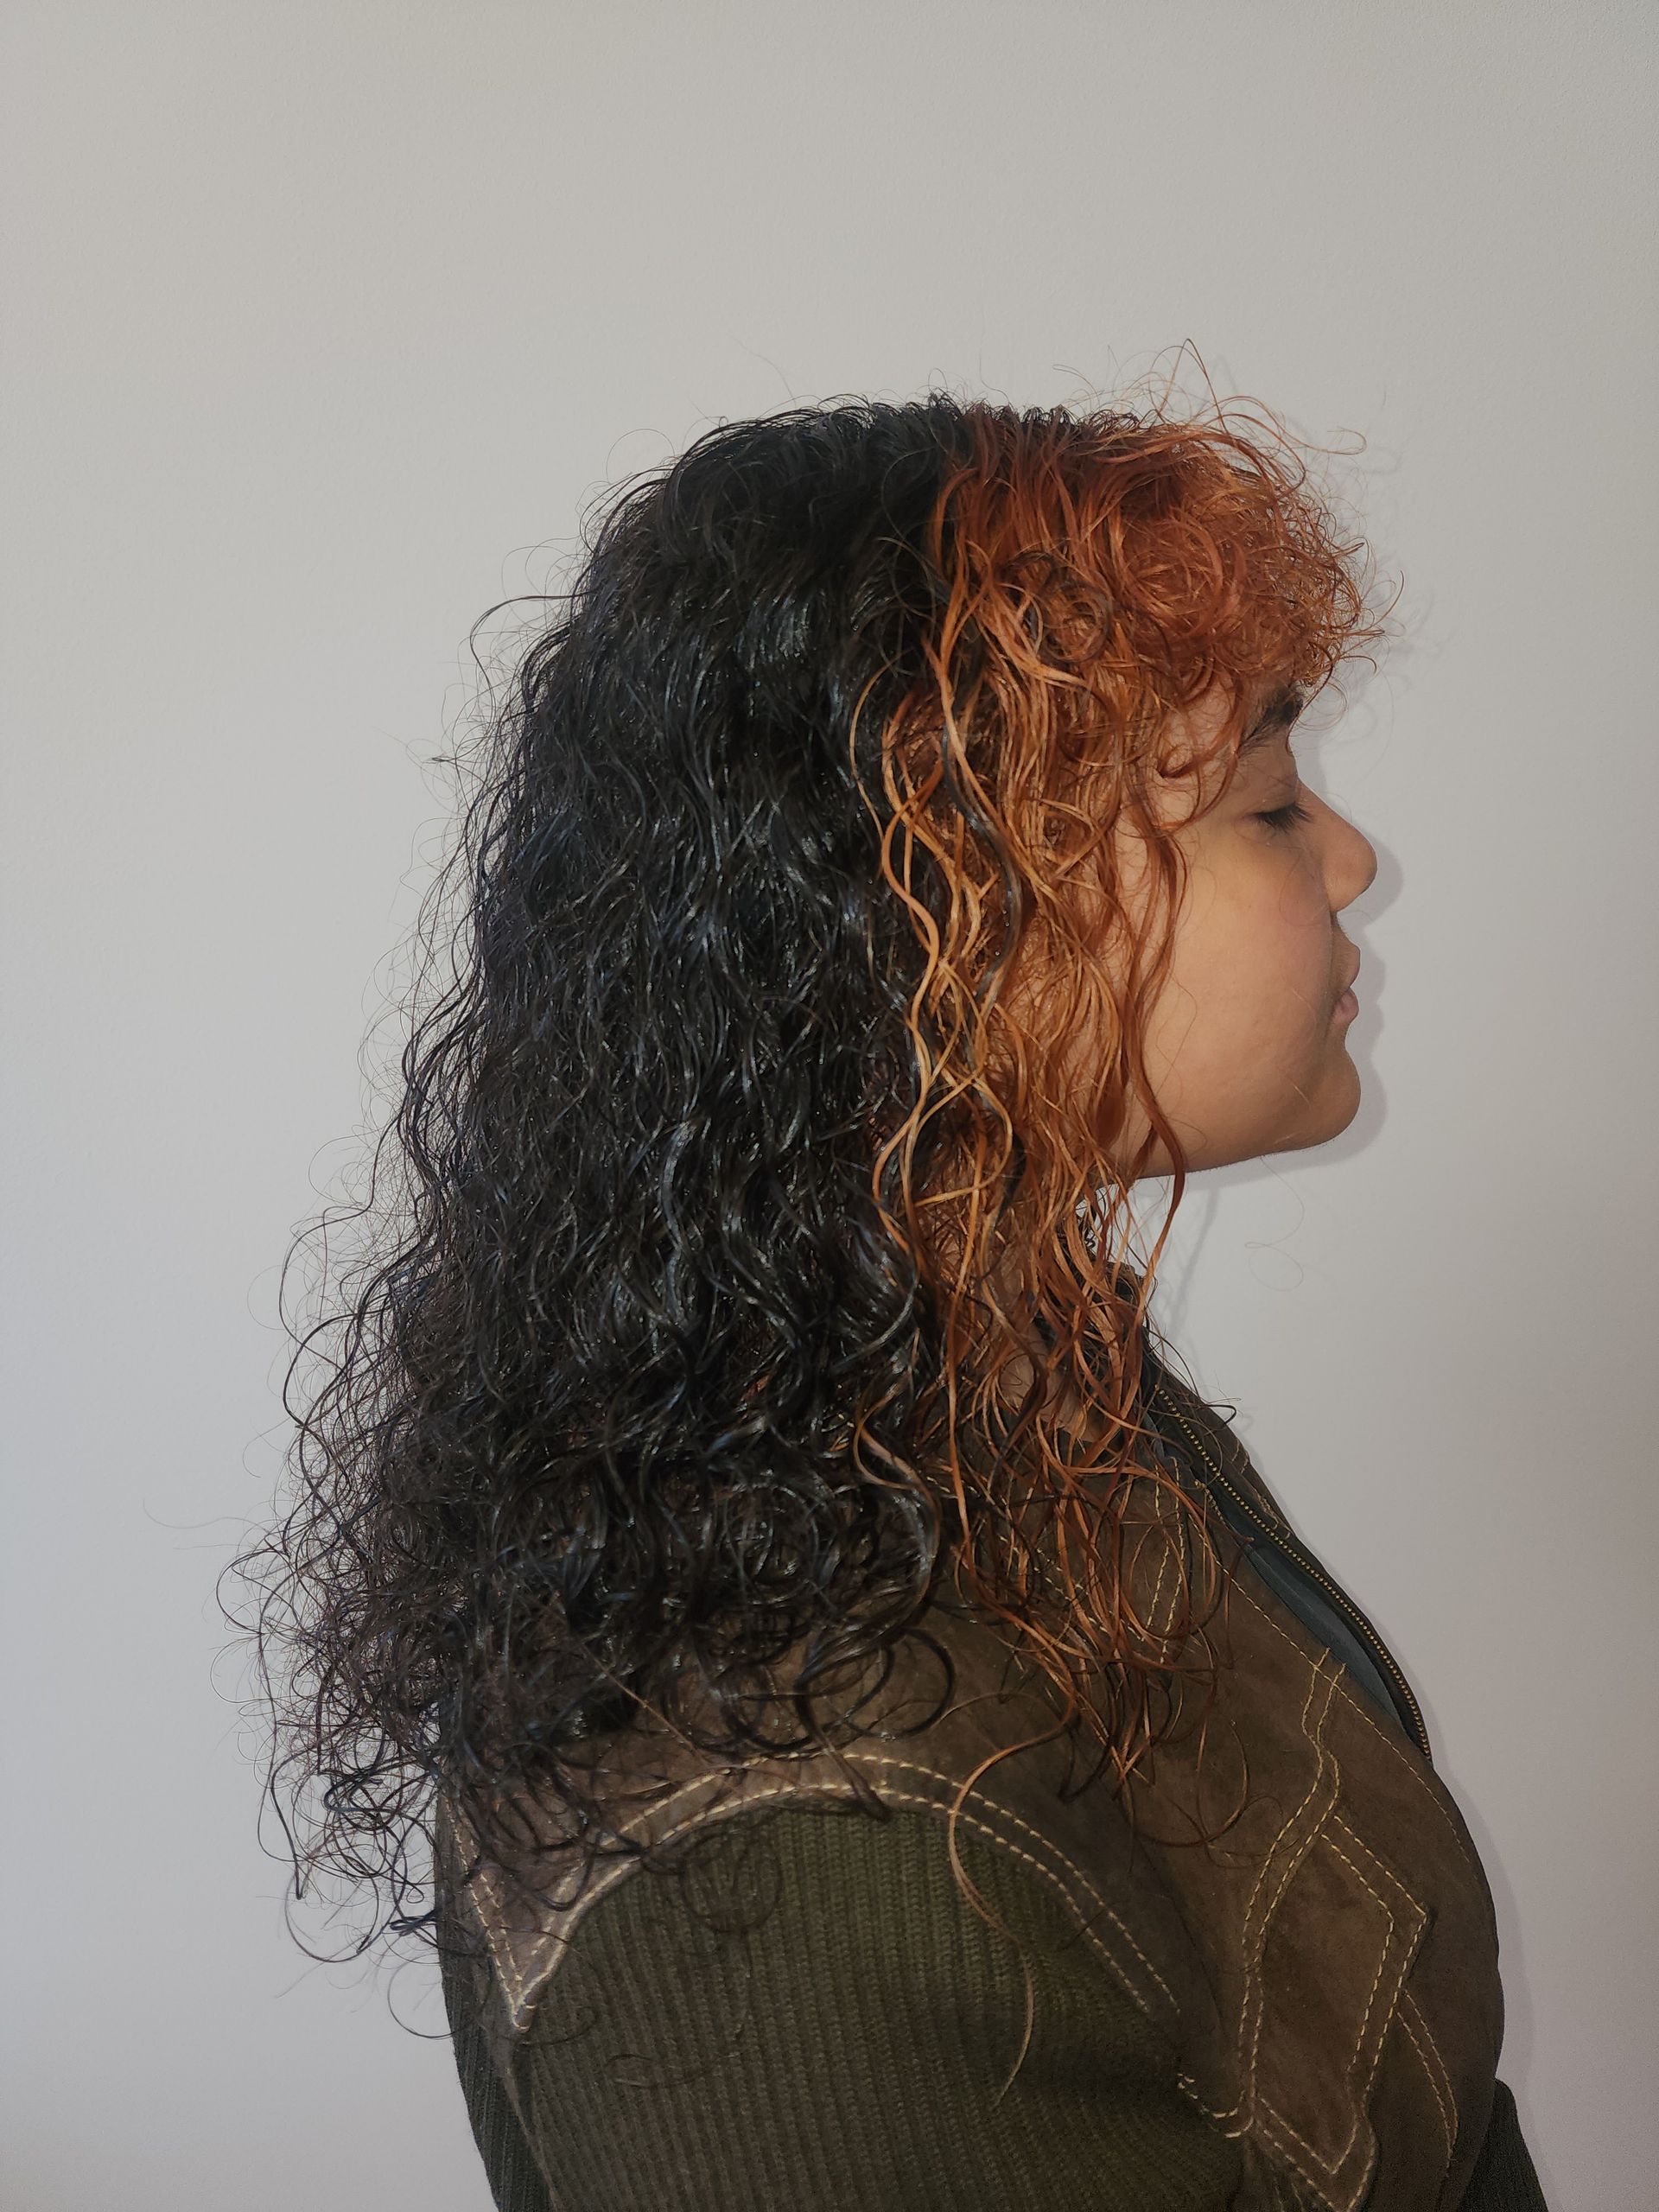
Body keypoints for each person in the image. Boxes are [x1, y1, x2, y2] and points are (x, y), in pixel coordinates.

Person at [233, 392, 1550, 2209]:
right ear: (961, 918)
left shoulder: (995, 1386)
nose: (1348, 860)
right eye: (1264, 802)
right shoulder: (786, 1874)